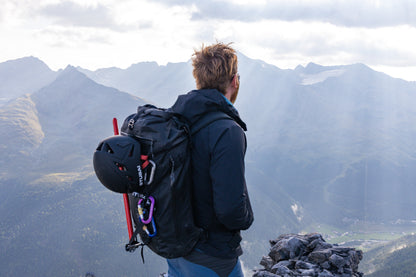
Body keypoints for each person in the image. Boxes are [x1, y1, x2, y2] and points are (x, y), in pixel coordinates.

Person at [168, 42, 254, 277]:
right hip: (213, 256)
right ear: (235, 80)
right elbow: (230, 210)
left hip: (177, 248)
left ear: (198, 80)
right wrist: (248, 217)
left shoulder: (177, 118)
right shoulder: (228, 130)